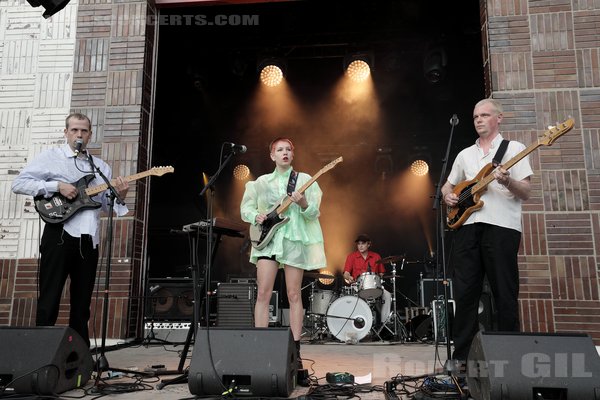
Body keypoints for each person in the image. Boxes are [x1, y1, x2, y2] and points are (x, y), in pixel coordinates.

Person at [11, 113, 130, 348]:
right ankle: (40, 354)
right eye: (74, 130)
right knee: (50, 298)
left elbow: (107, 205)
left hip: (89, 241)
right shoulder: (51, 157)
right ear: (66, 132)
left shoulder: (99, 167)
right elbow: (19, 183)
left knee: (82, 304)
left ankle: (79, 357)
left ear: (90, 135)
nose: (79, 135)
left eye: (84, 131)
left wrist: (121, 196)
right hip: (59, 234)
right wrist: (56, 186)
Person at [441, 98, 532, 363]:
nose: (479, 120)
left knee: (504, 292)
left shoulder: (514, 148)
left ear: (498, 118)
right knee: (465, 293)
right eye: (475, 116)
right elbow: (448, 186)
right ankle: (463, 360)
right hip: (467, 228)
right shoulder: (465, 154)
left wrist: (507, 180)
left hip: (501, 228)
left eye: (484, 115)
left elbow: (526, 191)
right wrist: (448, 197)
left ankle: (510, 360)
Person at [240, 137, 326, 366]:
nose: (285, 152)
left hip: (293, 239)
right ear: (272, 155)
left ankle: (295, 352)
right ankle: (260, 346)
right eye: (280, 150)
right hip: (268, 239)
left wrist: (303, 203)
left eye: (288, 149)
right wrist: (254, 216)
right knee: (263, 294)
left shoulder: (305, 180)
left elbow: (314, 213)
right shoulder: (261, 182)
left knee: (294, 294)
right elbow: (246, 208)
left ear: (293, 154)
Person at [343, 234, 392, 328]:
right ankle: (358, 324)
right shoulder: (351, 256)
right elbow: (346, 273)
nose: (360, 246)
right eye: (358, 244)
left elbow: (381, 273)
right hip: (357, 286)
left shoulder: (376, 256)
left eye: (363, 243)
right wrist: (349, 277)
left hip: (374, 286)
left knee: (387, 295)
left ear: (368, 244)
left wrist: (378, 277)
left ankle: (383, 324)